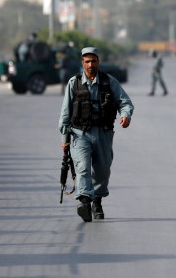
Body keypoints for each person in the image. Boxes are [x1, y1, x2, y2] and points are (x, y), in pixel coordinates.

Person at [58, 46, 134, 222]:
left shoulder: (109, 82)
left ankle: (97, 201)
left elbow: (125, 102)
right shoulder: (74, 83)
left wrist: (125, 116)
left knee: (102, 171)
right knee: (83, 167)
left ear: (98, 62)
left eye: (93, 61)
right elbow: (65, 114)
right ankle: (84, 202)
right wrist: (64, 140)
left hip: (103, 134)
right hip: (80, 134)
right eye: (87, 61)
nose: (90, 64)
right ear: (82, 63)